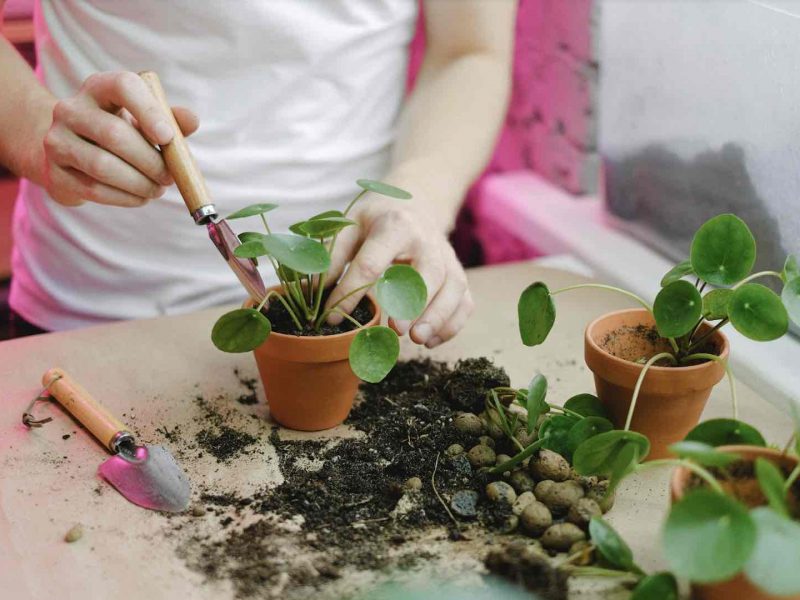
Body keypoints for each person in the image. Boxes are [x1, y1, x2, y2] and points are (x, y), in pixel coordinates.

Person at [0, 0, 514, 347]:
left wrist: (420, 197)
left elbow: (470, 51)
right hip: (90, 309)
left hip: (351, 301)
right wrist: (33, 131)